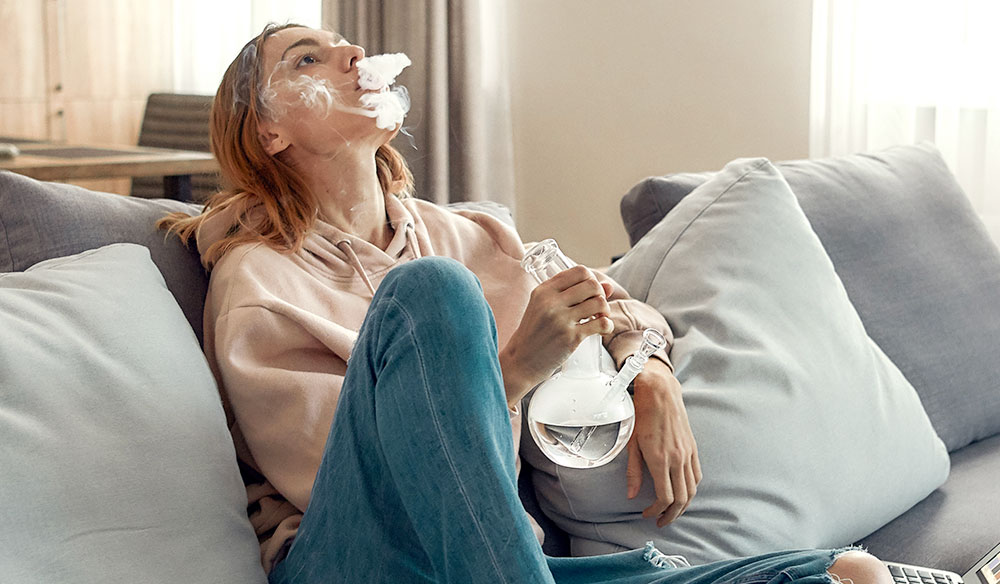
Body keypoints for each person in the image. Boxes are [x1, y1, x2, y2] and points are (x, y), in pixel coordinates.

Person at [158, 22, 893, 584]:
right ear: (268, 131)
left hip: (486, 558)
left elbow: (617, 306)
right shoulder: (256, 280)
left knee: (836, 573)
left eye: (344, 46)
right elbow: (379, 485)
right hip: (350, 556)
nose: (352, 55)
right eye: (306, 61)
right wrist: (512, 370)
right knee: (435, 290)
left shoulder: (474, 235)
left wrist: (649, 373)